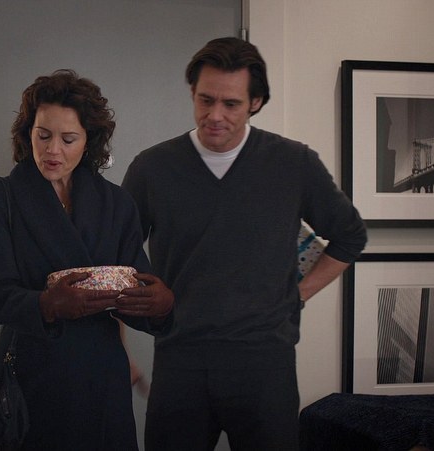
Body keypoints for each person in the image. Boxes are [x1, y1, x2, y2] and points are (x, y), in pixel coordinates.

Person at [121, 37, 368, 451]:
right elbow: (117, 259)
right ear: (192, 92)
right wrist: (121, 348)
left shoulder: (294, 163)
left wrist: (296, 296)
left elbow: (350, 236)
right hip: (181, 361)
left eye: (231, 104)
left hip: (265, 365)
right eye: (205, 100)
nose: (215, 115)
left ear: (255, 102)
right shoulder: (152, 167)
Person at [0, 69, 174, 451]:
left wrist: (159, 306)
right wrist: (45, 305)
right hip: (32, 377)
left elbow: (133, 287)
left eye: (68, 139)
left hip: (102, 380)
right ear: (28, 132)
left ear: (88, 140)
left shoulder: (116, 203)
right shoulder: (0, 199)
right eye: (43, 135)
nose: (52, 150)